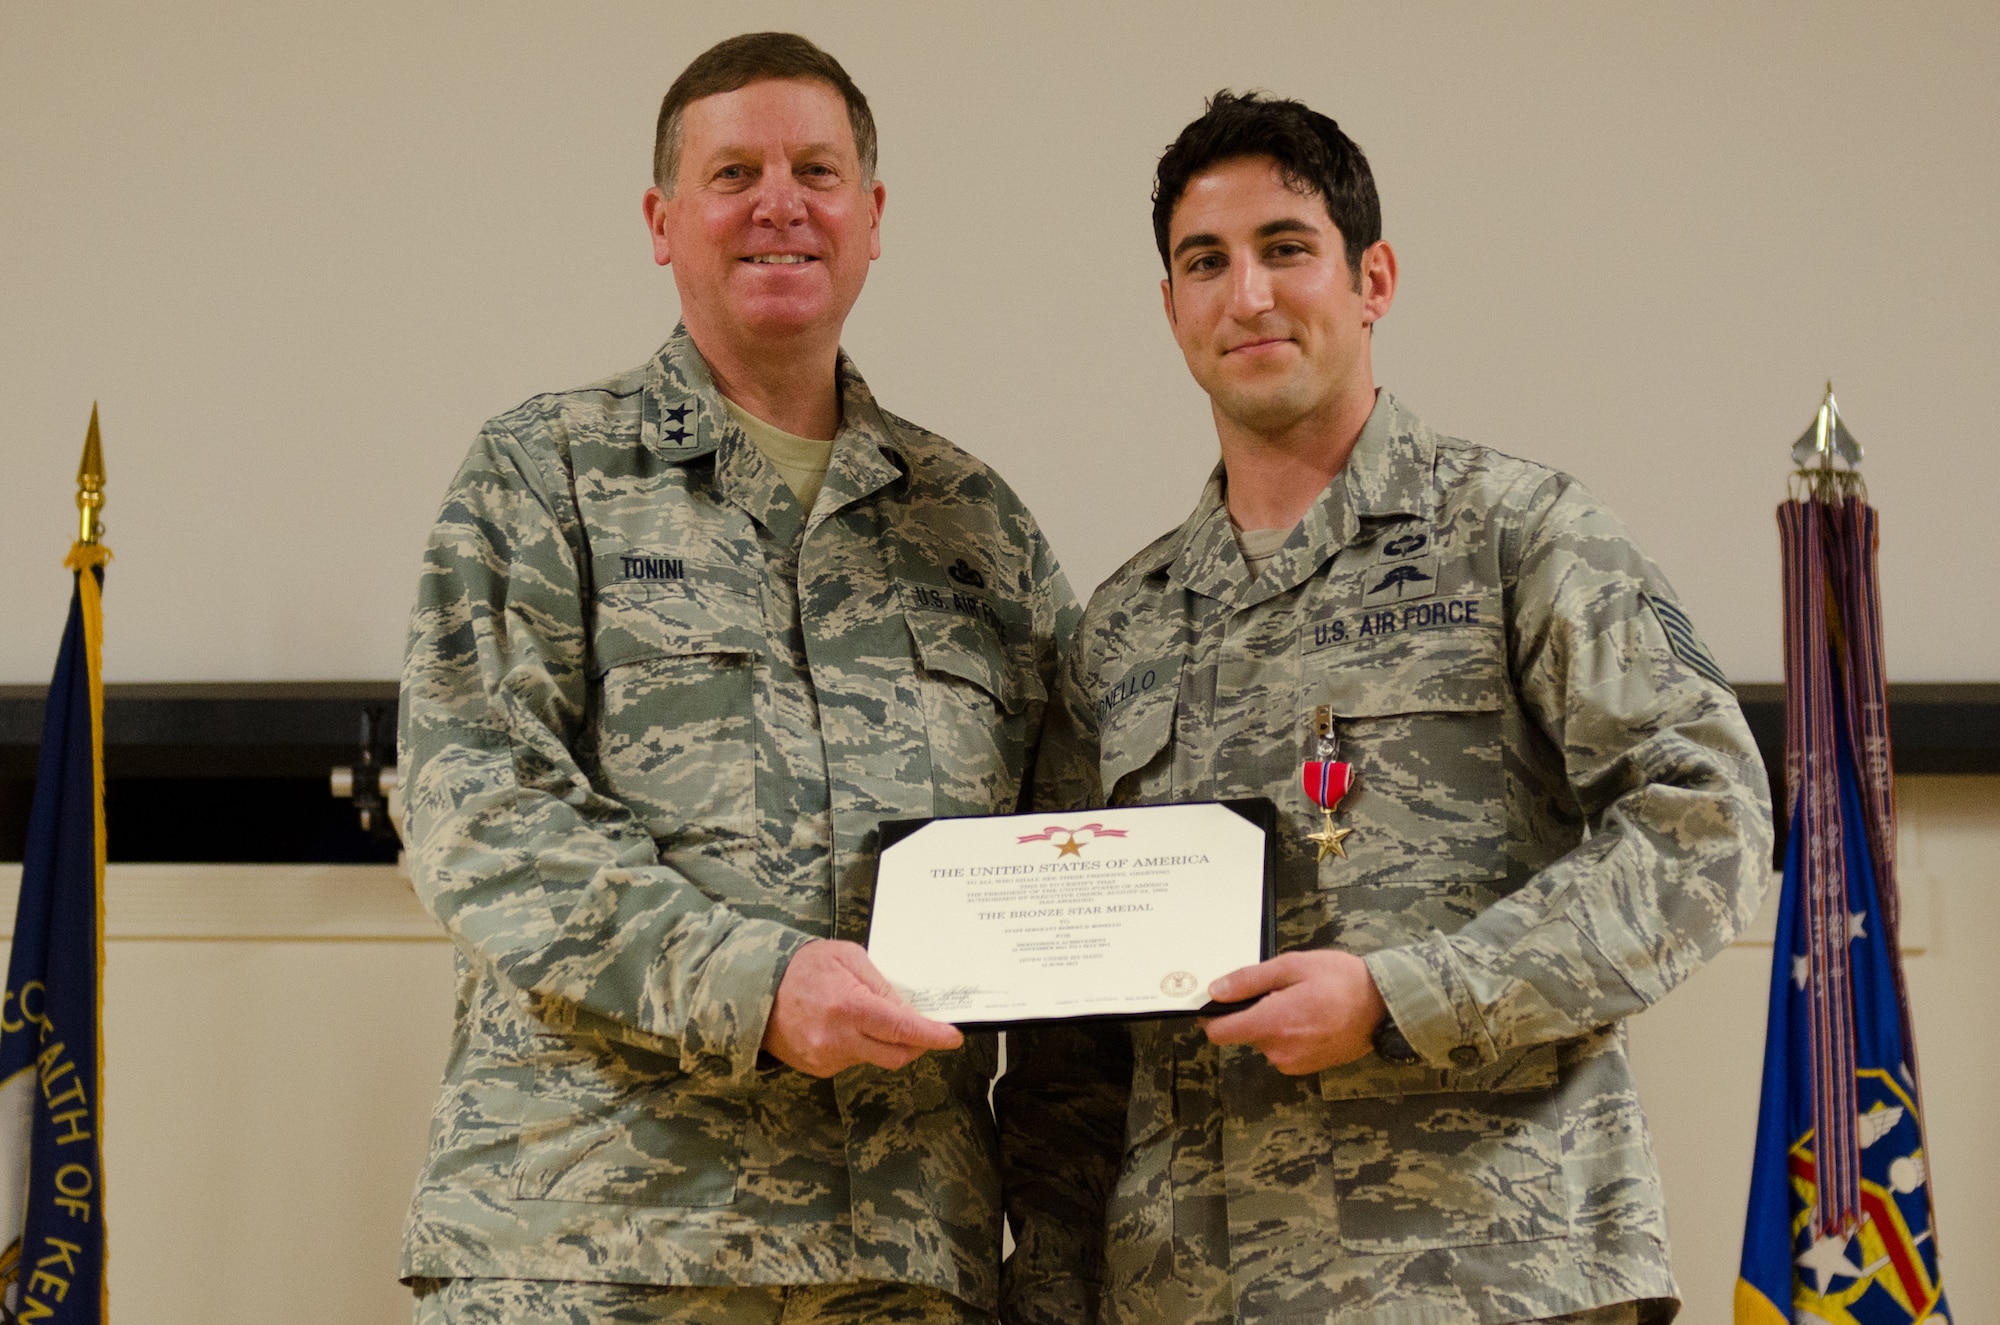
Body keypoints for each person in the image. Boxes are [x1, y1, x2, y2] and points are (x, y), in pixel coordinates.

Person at [997, 92, 1772, 1325]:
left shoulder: (1522, 535)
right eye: (1206, 262)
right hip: (1185, 1291)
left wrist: (1408, 995)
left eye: (1284, 248)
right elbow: (1069, 1062)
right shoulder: (1119, 634)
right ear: (1170, 308)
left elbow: (1707, 824)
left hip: (1489, 1273)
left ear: (1372, 277)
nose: (1245, 294)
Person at [398, 32, 1076, 1325]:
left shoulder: (978, 531)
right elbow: (476, 811)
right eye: (734, 173)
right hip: (589, 1240)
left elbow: (1070, 887)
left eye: (818, 169)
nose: (781, 202)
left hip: (897, 1260)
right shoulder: (544, 474)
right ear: (663, 221)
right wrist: (754, 984)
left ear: (873, 220)